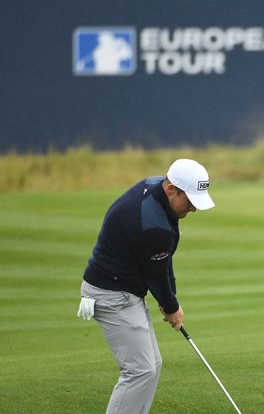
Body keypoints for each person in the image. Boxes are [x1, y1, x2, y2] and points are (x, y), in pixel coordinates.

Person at [76, 159, 215, 414]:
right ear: (172, 189)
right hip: (112, 294)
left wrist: (171, 300)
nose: (194, 208)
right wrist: (171, 307)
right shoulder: (154, 225)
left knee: (152, 366)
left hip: (121, 290)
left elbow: (164, 260)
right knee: (139, 370)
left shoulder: (155, 188)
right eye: (190, 200)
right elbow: (156, 277)